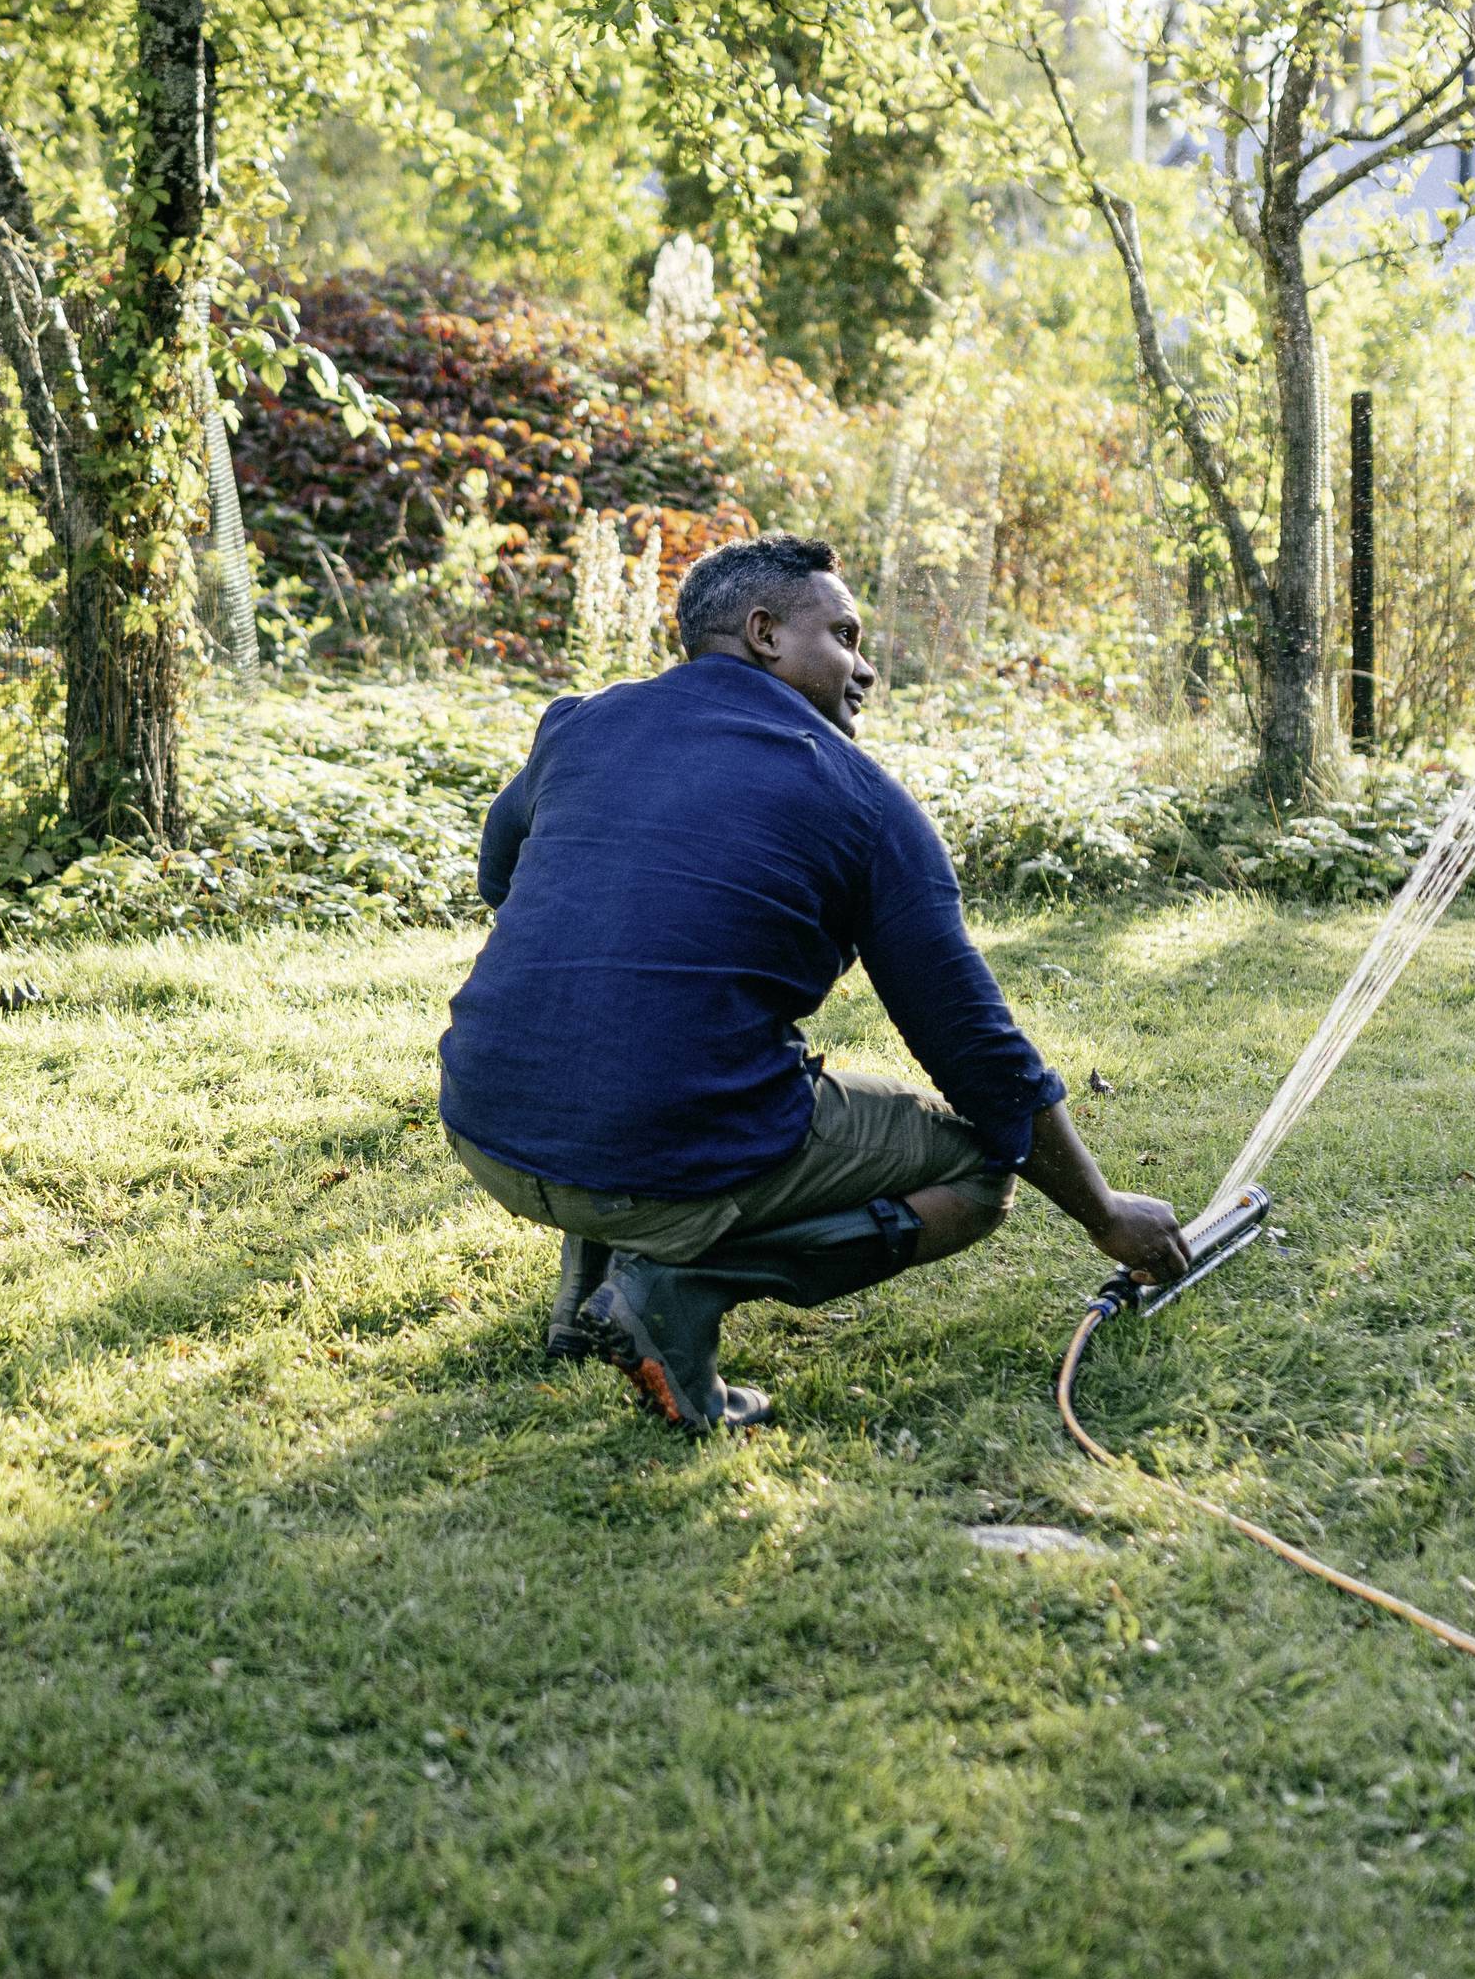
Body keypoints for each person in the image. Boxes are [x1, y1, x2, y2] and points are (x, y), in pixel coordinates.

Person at [438, 533, 1188, 1431]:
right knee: (979, 1175)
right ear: (764, 634)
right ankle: (676, 1287)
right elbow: (972, 1047)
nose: (865, 670)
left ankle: (581, 1311)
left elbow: (499, 878)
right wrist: (1104, 1214)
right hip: (646, 1153)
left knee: (625, 1037)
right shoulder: (862, 800)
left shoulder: (581, 724)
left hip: (487, 1126)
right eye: (844, 636)